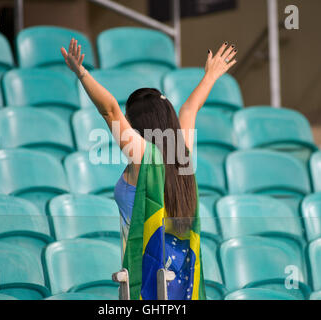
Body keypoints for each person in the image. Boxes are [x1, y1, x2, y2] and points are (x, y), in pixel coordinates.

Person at [62, 39, 237, 300]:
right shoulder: (182, 153)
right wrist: (211, 75)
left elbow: (110, 111)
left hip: (147, 280)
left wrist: (82, 73)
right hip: (181, 280)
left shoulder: (143, 156)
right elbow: (190, 109)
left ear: (137, 126)